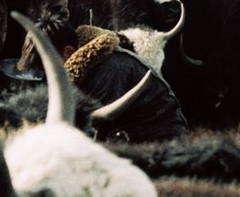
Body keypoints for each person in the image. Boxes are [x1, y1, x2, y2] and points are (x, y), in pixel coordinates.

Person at [39, 21, 188, 142]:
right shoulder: (92, 66)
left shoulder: (109, 70)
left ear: (68, 52)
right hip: (133, 137)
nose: (45, 76)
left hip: (160, 142)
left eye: (45, 67)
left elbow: (95, 128)